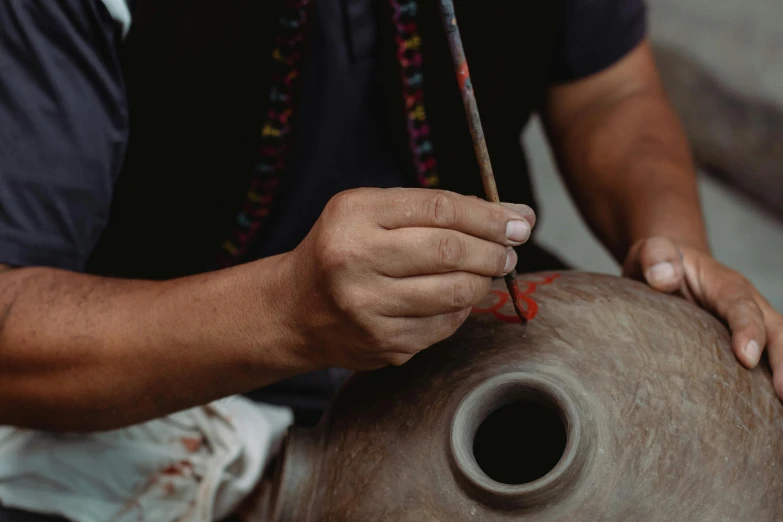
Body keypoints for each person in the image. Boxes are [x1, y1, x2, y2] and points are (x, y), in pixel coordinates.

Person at [0, 0, 781, 518]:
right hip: (152, 382)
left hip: (489, 333)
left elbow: (609, 94)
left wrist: (672, 255)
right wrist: (286, 314)